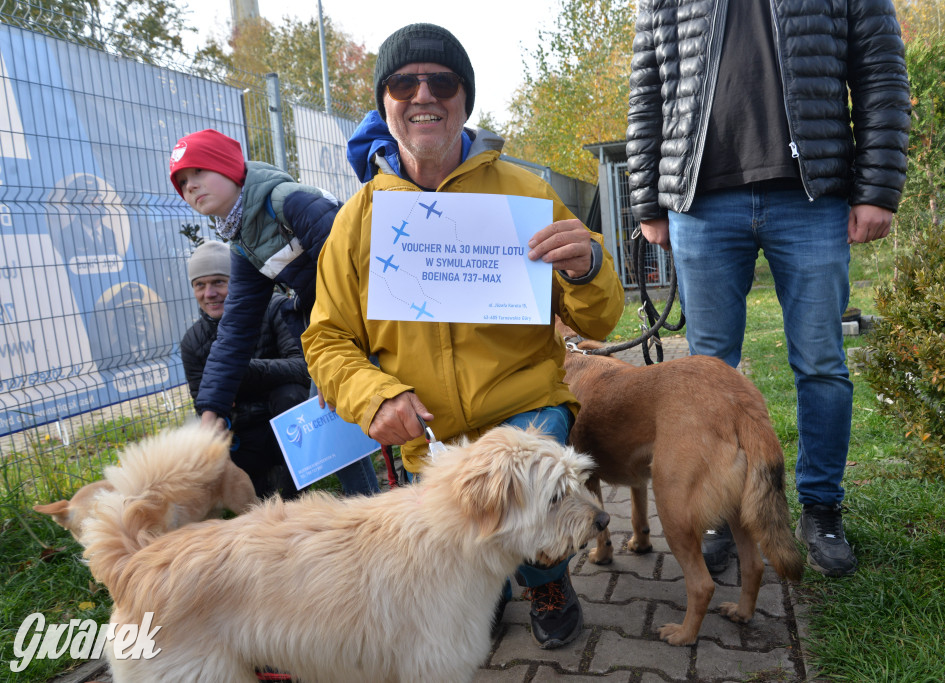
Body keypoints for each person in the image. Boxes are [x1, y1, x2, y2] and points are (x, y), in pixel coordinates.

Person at [302, 23, 625, 649]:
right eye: (403, 83)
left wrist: (587, 268)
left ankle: (547, 577)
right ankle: (490, 584)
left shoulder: (526, 195)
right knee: (463, 542)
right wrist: (375, 396)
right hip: (431, 428)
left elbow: (600, 321)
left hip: (525, 412)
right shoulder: (360, 218)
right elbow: (327, 340)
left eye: (442, 82)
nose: (423, 94)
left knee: (527, 500)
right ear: (386, 105)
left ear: (464, 101)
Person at [626, 0, 911, 577]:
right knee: (707, 372)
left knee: (822, 363)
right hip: (702, 202)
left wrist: (878, 187)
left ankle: (822, 509)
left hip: (812, 197)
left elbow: (880, 72)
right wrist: (648, 198)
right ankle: (721, 510)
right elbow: (647, 89)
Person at [169, 129, 380, 497]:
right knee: (334, 425)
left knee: (411, 425)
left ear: (229, 168)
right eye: (182, 182)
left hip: (380, 323)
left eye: (199, 172)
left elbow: (359, 270)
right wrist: (210, 412)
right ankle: (370, 513)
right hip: (337, 335)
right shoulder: (244, 243)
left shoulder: (289, 202)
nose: (190, 186)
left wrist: (351, 357)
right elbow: (234, 331)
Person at [180, 240, 307, 499]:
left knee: (290, 394)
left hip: (284, 426)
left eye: (218, 282)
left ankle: (298, 493)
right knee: (201, 428)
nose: (209, 293)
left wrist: (238, 370)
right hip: (242, 436)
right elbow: (202, 406)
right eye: (200, 285)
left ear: (236, 281)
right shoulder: (192, 342)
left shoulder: (272, 308)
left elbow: (303, 368)